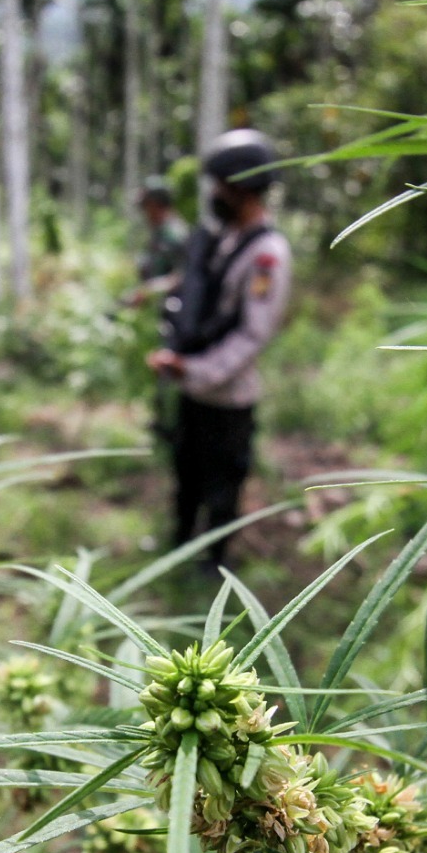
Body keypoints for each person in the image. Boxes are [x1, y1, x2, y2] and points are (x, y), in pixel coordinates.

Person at [146, 129, 293, 570]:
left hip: (228, 396)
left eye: (222, 186)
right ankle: (179, 548)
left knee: (222, 484)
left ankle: (213, 563)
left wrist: (193, 370)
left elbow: (254, 333)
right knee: (186, 474)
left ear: (243, 188)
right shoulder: (223, 239)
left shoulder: (268, 253)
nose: (215, 195)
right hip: (194, 390)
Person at [125, 176, 190, 306]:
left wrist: (149, 290)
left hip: (174, 309)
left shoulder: (174, 234)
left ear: (156, 205)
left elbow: (184, 276)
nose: (144, 212)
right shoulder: (159, 232)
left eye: (145, 206)